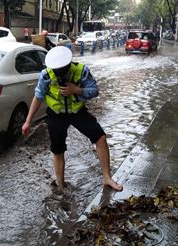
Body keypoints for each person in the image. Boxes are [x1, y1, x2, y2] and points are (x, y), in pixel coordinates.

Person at [21, 46, 123, 191]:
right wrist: (27, 122)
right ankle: (60, 185)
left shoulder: (82, 71)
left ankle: (107, 177)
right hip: (56, 115)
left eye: (64, 71)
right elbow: (38, 97)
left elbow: (95, 91)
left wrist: (77, 90)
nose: (61, 75)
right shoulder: (46, 76)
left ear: (69, 65)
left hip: (78, 112)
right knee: (58, 150)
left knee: (100, 137)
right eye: (58, 72)